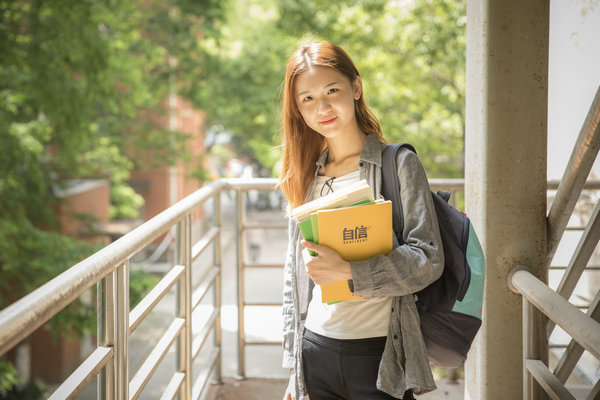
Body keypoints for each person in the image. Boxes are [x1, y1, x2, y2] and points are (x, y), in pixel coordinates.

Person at [278, 40, 445, 400]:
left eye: (331, 91)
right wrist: (295, 369)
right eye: (307, 99)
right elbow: (295, 277)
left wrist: (350, 272)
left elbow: (428, 259)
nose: (321, 107)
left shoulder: (397, 164)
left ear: (356, 87)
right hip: (316, 352)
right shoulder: (306, 176)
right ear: (297, 110)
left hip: (379, 356)